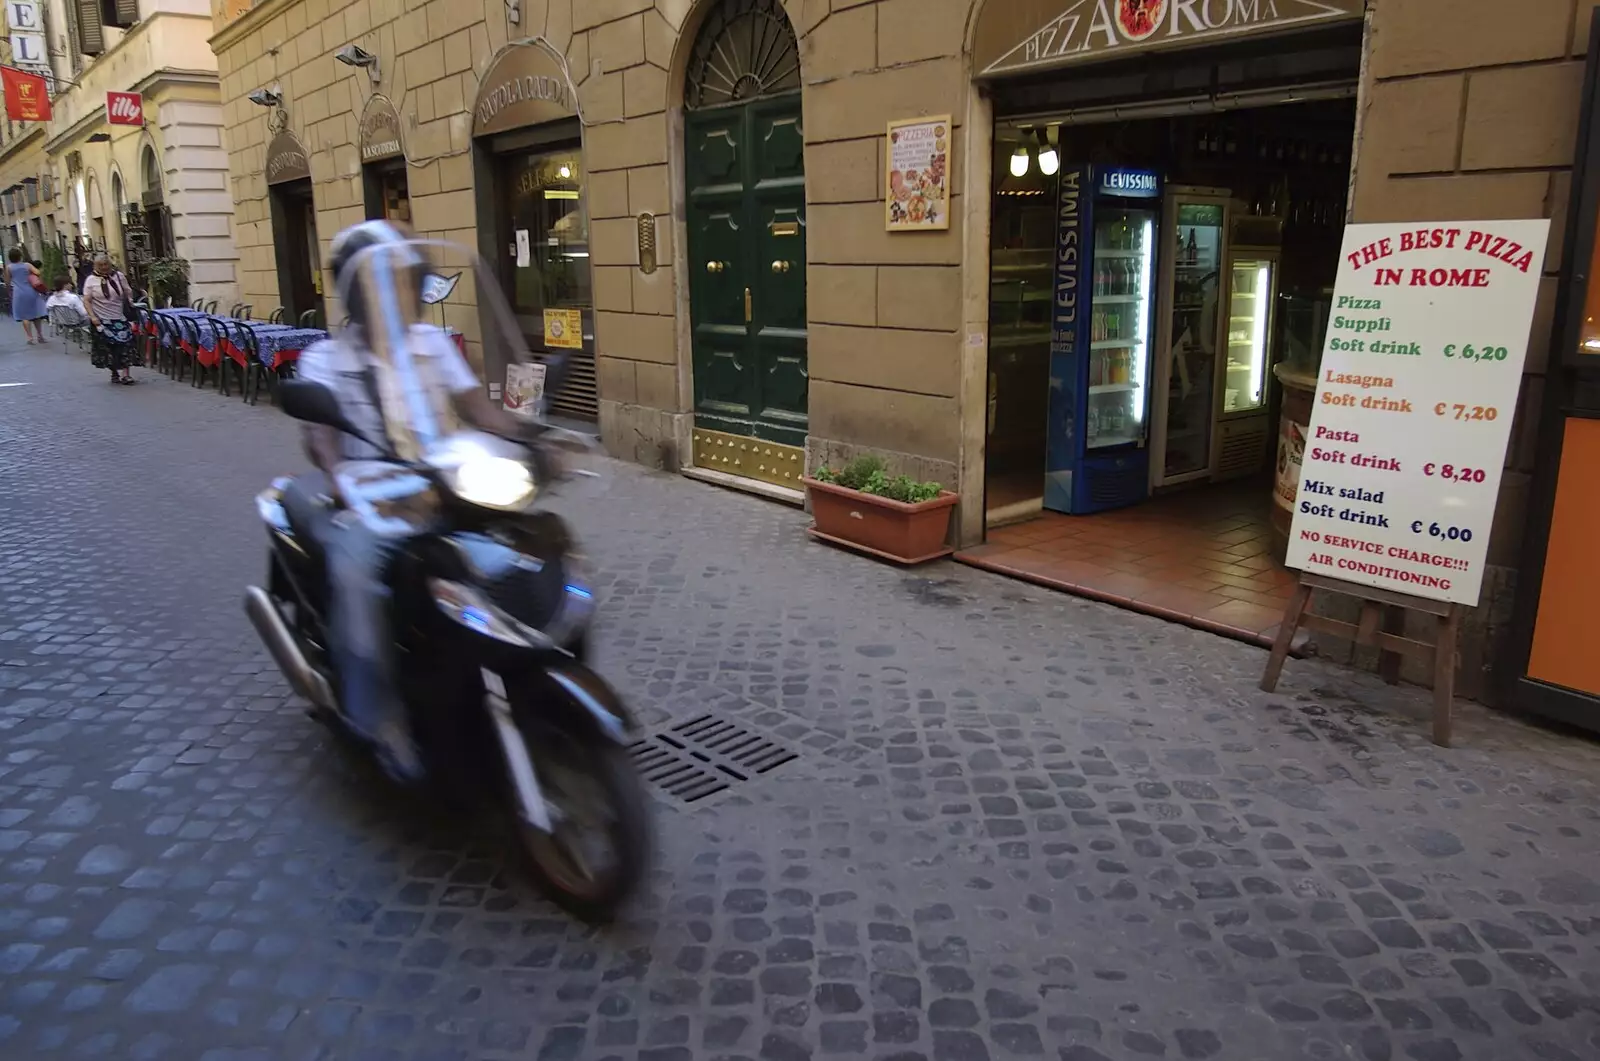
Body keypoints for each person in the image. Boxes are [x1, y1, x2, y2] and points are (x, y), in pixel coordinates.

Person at [296, 221, 530, 780]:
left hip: (445, 488)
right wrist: (338, 475)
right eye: (385, 281)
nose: (398, 292)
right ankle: (378, 716)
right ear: (358, 292)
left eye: (405, 280)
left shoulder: (430, 343)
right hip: (374, 503)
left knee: (515, 558)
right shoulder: (326, 360)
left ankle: (513, 678)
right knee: (357, 582)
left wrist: (531, 434)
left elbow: (477, 407)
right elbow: (319, 436)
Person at [82, 254, 138, 384]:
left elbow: (127, 291)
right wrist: (92, 316)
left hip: (120, 317)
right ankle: (114, 372)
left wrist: (130, 304)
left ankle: (126, 374)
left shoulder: (119, 276)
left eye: (106, 264)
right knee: (109, 347)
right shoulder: (90, 280)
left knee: (125, 345)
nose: (104, 267)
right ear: (95, 266)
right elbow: (87, 300)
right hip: (102, 319)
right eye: (100, 265)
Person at [8, 247, 47, 344]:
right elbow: (38, 272)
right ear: (20, 256)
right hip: (30, 291)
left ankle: (30, 337)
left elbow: (8, 281)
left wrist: (10, 292)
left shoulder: (9, 267)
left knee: (24, 316)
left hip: (18, 293)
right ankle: (40, 335)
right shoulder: (27, 265)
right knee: (36, 314)